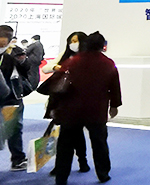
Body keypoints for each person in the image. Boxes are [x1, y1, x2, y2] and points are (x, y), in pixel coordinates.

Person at [52, 32, 121, 185]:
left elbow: (59, 85)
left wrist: (55, 106)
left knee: (65, 144)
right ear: (102, 46)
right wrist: (114, 105)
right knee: (99, 143)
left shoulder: (72, 62)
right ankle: (103, 174)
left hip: (71, 109)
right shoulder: (108, 63)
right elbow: (114, 87)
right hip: (96, 110)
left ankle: (61, 177)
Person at [41, 31, 89, 175]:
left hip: (79, 102)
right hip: (61, 101)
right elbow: (46, 68)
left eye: (76, 41)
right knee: (66, 134)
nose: (73, 44)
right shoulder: (65, 55)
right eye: (71, 41)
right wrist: (56, 67)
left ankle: (79, 161)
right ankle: (69, 164)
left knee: (74, 133)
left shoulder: (88, 58)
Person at [1, 25, 39, 170]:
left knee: (14, 128)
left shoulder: (15, 51)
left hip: (12, 96)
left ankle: (17, 159)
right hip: (5, 94)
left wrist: (19, 60)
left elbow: (26, 68)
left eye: (4, 43)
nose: (2, 46)